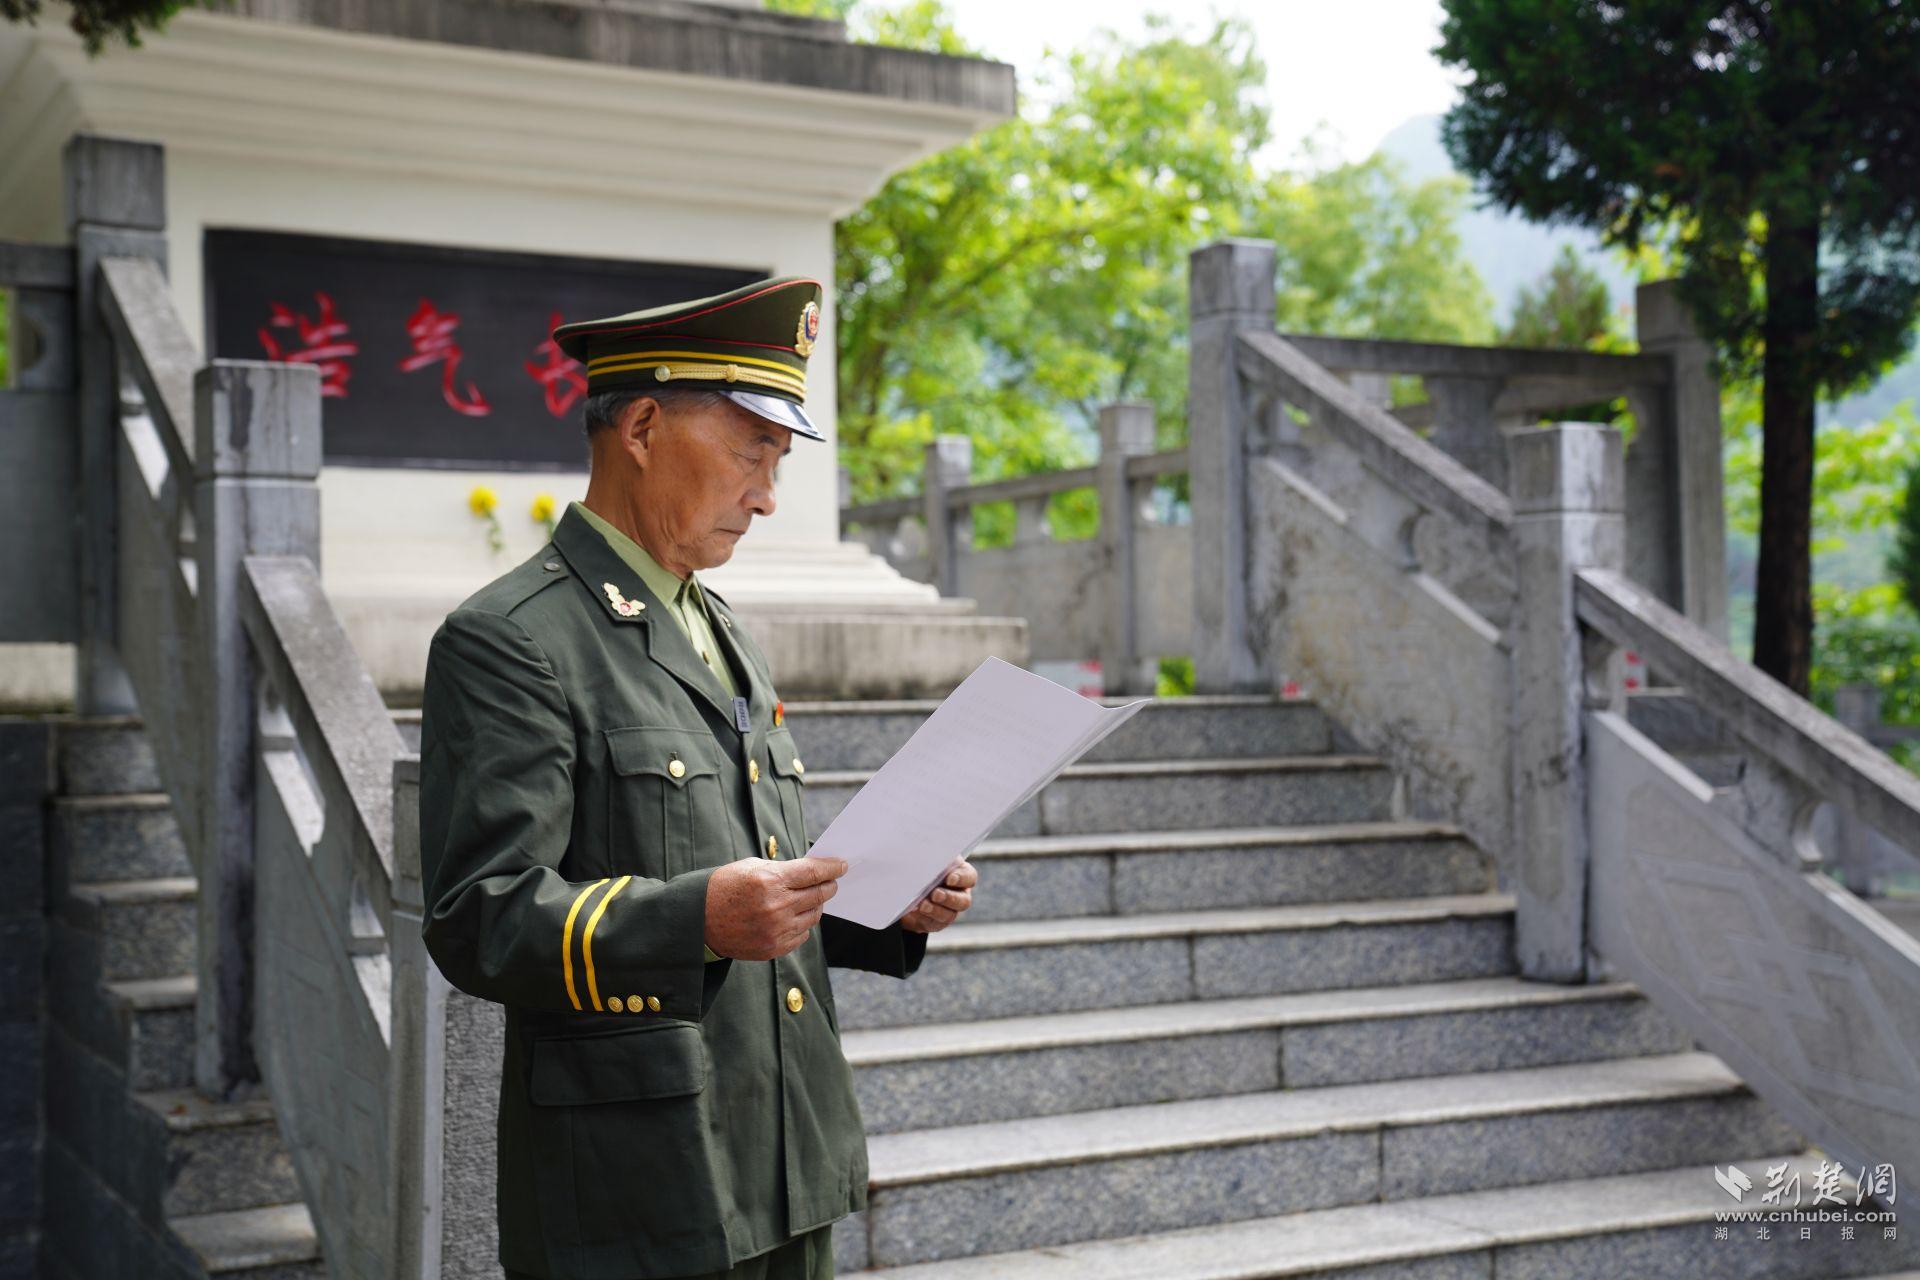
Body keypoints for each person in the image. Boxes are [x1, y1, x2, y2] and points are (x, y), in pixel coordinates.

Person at [415, 276, 980, 1280]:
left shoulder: (719, 629)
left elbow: (756, 882)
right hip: (640, 1181)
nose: (767, 494)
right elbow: (480, 916)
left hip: (786, 1152)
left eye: (778, 462)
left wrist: (886, 903)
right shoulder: (513, 639)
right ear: (641, 427)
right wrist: (696, 920)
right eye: (751, 452)